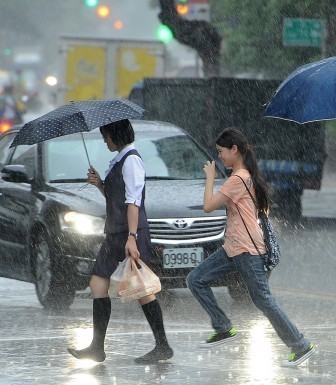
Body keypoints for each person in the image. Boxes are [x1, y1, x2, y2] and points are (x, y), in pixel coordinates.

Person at [186, 127, 315, 367]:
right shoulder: (244, 177)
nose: (220, 157)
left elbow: (208, 206)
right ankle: (223, 327)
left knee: (263, 300)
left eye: (221, 152)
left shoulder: (239, 178)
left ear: (234, 149)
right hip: (232, 249)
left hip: (247, 250)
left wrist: (210, 176)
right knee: (196, 279)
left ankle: (300, 345)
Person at [67, 119, 173, 364]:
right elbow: (117, 198)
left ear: (116, 134)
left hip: (129, 234)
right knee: (97, 284)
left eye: (106, 136)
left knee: (142, 290)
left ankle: (163, 345)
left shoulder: (132, 161)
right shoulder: (118, 161)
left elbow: (133, 202)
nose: (105, 141)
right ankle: (97, 347)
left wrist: (132, 237)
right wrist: (100, 185)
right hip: (114, 233)